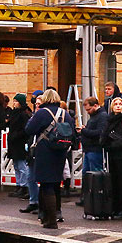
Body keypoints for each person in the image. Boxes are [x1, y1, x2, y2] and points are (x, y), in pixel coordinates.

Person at [25, 89, 73, 229]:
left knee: (46, 186)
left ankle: (50, 220)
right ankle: (52, 216)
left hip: (45, 151)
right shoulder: (65, 113)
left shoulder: (41, 113)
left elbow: (29, 129)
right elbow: (72, 134)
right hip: (60, 152)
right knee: (55, 184)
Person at [75, 96, 107, 206]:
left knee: (94, 175)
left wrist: (84, 131)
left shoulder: (102, 116)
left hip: (95, 149)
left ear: (96, 106)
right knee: (87, 175)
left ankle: (95, 198)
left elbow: (99, 132)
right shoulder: (95, 116)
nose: (88, 112)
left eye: (89, 109)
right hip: (89, 149)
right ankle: (87, 198)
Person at [7, 94, 31, 199]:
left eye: (16, 101)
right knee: (16, 165)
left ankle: (24, 186)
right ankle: (18, 185)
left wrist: (16, 135)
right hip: (14, 143)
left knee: (22, 166)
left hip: (20, 143)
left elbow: (25, 129)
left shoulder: (24, 114)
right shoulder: (15, 113)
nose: (14, 103)